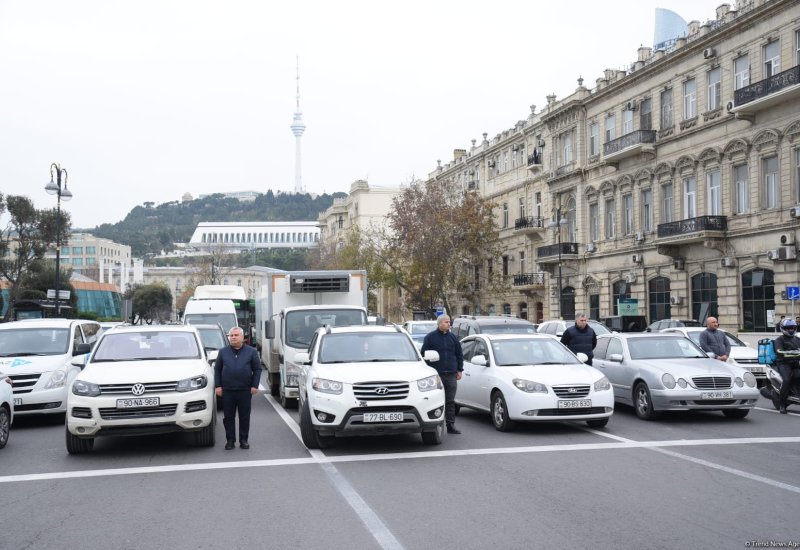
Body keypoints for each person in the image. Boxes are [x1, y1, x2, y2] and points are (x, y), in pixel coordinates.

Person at [214, 326, 261, 449]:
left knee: (244, 417)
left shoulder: (251, 351)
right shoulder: (223, 352)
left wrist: (254, 386)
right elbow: (217, 369)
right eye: (231, 335)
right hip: (228, 390)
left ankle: (243, 440)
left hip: (245, 390)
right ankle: (230, 440)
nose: (233, 337)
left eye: (236, 335)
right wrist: (218, 386)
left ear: (242, 337)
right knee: (228, 417)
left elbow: (257, 369)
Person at [420, 314, 464, 434]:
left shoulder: (453, 338)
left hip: (451, 374)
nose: (449, 324)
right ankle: (435, 425)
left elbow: (459, 355)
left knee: (450, 401)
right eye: (446, 322)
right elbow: (424, 354)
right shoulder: (430, 337)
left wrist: (459, 370)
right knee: (435, 401)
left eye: (449, 322)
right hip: (436, 375)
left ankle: (450, 425)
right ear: (439, 324)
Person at [773, 318, 800, 414]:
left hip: (796, 363)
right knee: (787, 379)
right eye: (788, 328)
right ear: (783, 328)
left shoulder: (797, 339)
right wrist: (792, 353)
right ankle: (782, 404)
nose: (791, 330)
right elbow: (779, 351)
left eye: (792, 328)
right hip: (784, 363)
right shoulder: (779, 340)